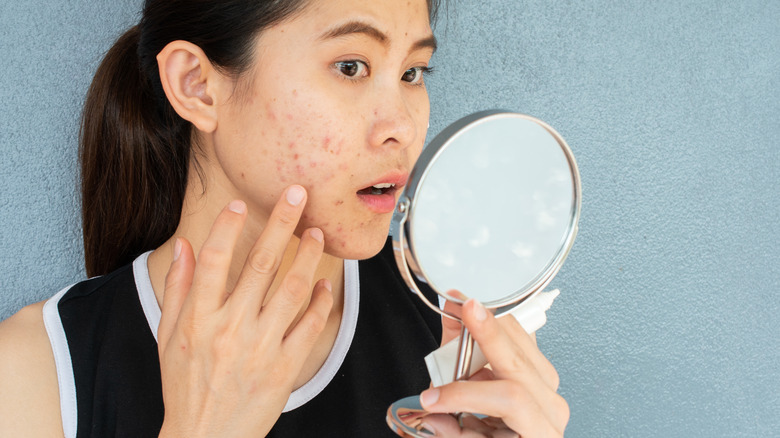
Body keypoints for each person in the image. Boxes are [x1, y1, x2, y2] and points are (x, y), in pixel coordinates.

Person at [0, 0, 569, 436]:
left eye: (413, 72)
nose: (400, 126)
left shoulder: (452, 344)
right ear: (197, 86)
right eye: (351, 66)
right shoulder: (34, 374)